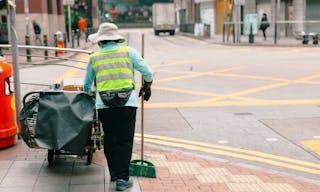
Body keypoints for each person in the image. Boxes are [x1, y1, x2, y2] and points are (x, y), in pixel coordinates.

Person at [83, 22, 153, 191]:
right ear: (117, 38)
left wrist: (94, 92)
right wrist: (147, 86)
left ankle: (114, 173)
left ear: (100, 41)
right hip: (127, 104)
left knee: (110, 138)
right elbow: (148, 72)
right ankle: (122, 179)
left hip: (104, 106)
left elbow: (86, 85)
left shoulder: (94, 57)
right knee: (124, 141)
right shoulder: (129, 52)